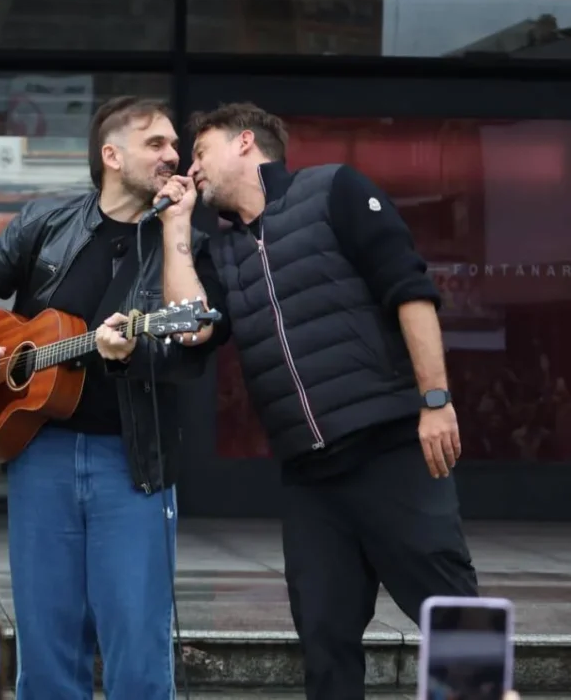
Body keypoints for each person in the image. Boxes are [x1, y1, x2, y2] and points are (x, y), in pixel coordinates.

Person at [185, 102, 480, 700]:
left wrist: (435, 399)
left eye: (199, 151)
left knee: (454, 623)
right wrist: (172, 230)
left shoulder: (335, 190)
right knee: (324, 645)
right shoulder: (220, 253)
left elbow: (410, 292)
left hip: (390, 449)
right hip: (311, 479)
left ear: (245, 143)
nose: (191, 167)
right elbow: (192, 329)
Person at [0, 96, 229, 699]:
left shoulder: (183, 245)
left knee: (136, 638)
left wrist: (135, 348)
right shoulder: (47, 221)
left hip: (130, 463)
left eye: (175, 146)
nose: (172, 155)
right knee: (45, 640)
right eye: (155, 143)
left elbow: (190, 342)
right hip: (40, 453)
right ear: (111, 155)